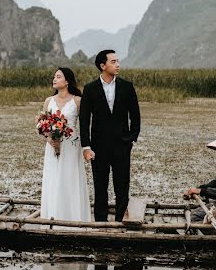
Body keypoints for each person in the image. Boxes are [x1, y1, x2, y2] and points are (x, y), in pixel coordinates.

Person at [79, 50, 141, 223]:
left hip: (122, 145)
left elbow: (135, 116)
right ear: (102, 65)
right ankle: (100, 222)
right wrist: (86, 146)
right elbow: (84, 120)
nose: (118, 64)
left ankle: (121, 221)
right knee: (100, 186)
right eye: (113, 61)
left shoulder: (127, 86)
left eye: (117, 61)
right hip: (98, 147)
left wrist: (131, 139)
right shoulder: (90, 89)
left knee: (122, 186)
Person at [40, 67, 91, 222]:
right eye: (54, 77)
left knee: (70, 179)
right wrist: (49, 138)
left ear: (67, 81)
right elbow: (43, 124)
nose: (54, 79)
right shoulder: (49, 101)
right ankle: (52, 217)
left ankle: (74, 218)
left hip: (71, 146)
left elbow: (85, 127)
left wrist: (86, 148)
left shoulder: (77, 101)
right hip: (52, 146)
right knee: (53, 180)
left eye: (58, 76)